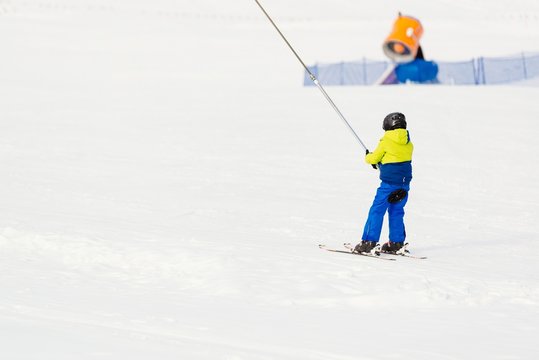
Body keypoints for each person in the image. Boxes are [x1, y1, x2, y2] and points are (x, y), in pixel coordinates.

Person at [354, 112, 413, 255]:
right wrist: (382, 163)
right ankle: (396, 243)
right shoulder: (408, 143)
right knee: (397, 211)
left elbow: (374, 158)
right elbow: (396, 158)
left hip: (388, 185)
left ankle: (369, 242)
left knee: (377, 210)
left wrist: (370, 157)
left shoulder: (386, 141)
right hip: (404, 185)